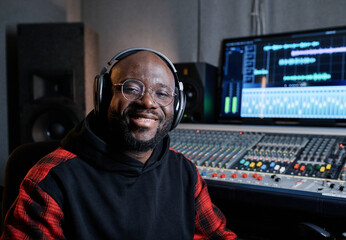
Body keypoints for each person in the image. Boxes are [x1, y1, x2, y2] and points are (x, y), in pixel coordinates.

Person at [1, 48, 238, 239]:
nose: (148, 102)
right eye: (132, 89)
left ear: (176, 108)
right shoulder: (51, 178)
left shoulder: (185, 172)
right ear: (103, 97)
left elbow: (217, 234)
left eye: (162, 94)